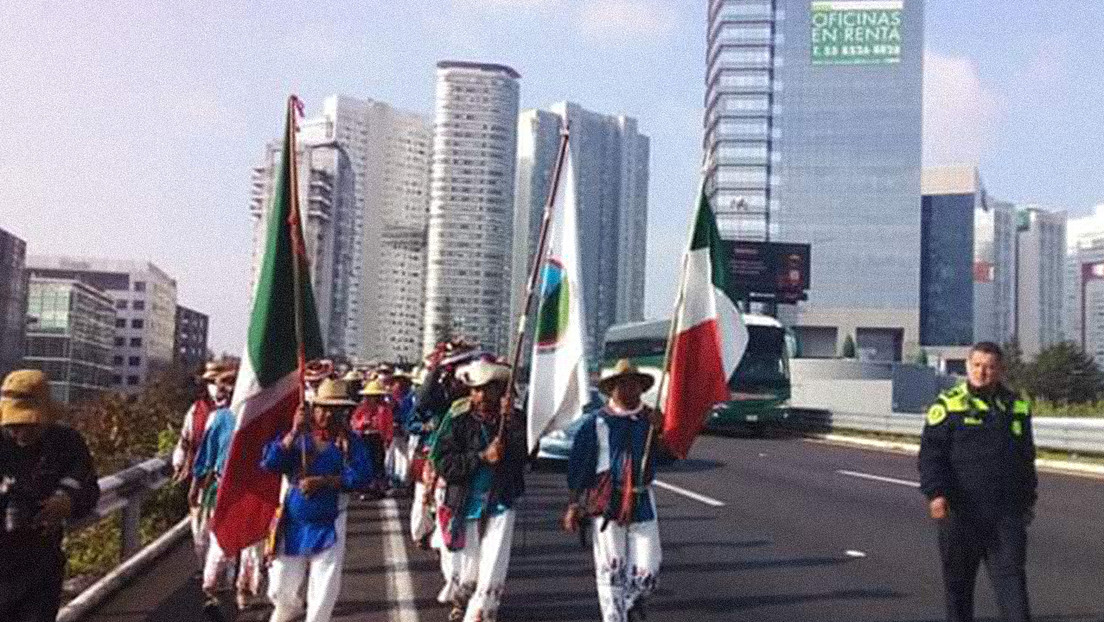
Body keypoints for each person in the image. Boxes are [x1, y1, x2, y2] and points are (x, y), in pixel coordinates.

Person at [919, 342, 1037, 622]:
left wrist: (1028, 501)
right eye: (978, 366)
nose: (983, 372)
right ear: (968, 366)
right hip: (961, 514)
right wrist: (936, 494)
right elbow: (931, 456)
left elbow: (1026, 458)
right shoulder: (948, 405)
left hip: (1005, 515)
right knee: (958, 589)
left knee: (1013, 586)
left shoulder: (1016, 406)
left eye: (991, 367)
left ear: (1000, 370)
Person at [262, 378, 374, 622]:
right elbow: (270, 463)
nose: (327, 415)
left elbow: (363, 475)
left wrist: (325, 482)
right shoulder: (298, 437)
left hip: (330, 524)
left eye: (335, 410)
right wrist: (293, 432)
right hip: (293, 523)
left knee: (324, 590)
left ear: (344, 412)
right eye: (323, 408)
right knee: (280, 587)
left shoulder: (350, 443)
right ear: (313, 408)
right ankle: (289, 609)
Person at [563, 359, 663, 622]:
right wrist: (574, 504)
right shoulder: (596, 423)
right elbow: (578, 466)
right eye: (623, 386)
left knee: (647, 572)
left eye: (634, 386)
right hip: (608, 502)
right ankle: (613, 617)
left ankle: (630, 603)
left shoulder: (650, 420)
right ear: (612, 390)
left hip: (641, 500)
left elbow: (667, 457)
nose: (630, 391)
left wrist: (662, 432)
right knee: (611, 570)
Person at [0, 369, 100, 622]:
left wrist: (66, 502)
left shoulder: (66, 443)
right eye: (13, 426)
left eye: (29, 425)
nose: (20, 433)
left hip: (42, 564)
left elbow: (89, 488)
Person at [431, 359, 526, 622]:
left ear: (500, 391)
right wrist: (482, 457)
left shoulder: (513, 419)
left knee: (494, 561)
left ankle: (481, 613)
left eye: (488, 389)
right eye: (476, 389)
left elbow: (527, 456)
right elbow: (442, 461)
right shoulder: (458, 419)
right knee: (468, 565)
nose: (481, 396)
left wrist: (514, 424)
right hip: (465, 501)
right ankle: (463, 600)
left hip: (501, 499)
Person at [191, 368, 264, 615]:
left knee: (252, 544)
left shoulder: (261, 417)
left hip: (255, 490)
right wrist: (197, 485)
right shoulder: (220, 418)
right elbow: (208, 456)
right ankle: (214, 591)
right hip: (223, 488)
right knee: (220, 541)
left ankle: (244, 589)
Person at [172, 361, 222, 563]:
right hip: (199, 478)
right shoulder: (195, 411)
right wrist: (179, 463)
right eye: (210, 382)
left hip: (223, 478)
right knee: (200, 530)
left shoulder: (234, 410)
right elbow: (185, 440)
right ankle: (205, 566)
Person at [351, 379, 393, 496]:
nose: (372, 398)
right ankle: (365, 486)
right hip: (364, 437)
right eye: (370, 396)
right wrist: (362, 423)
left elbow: (388, 424)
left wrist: (388, 439)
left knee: (378, 462)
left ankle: (379, 486)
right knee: (365, 461)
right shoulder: (362, 408)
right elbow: (354, 422)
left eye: (375, 396)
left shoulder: (384, 409)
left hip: (377, 438)